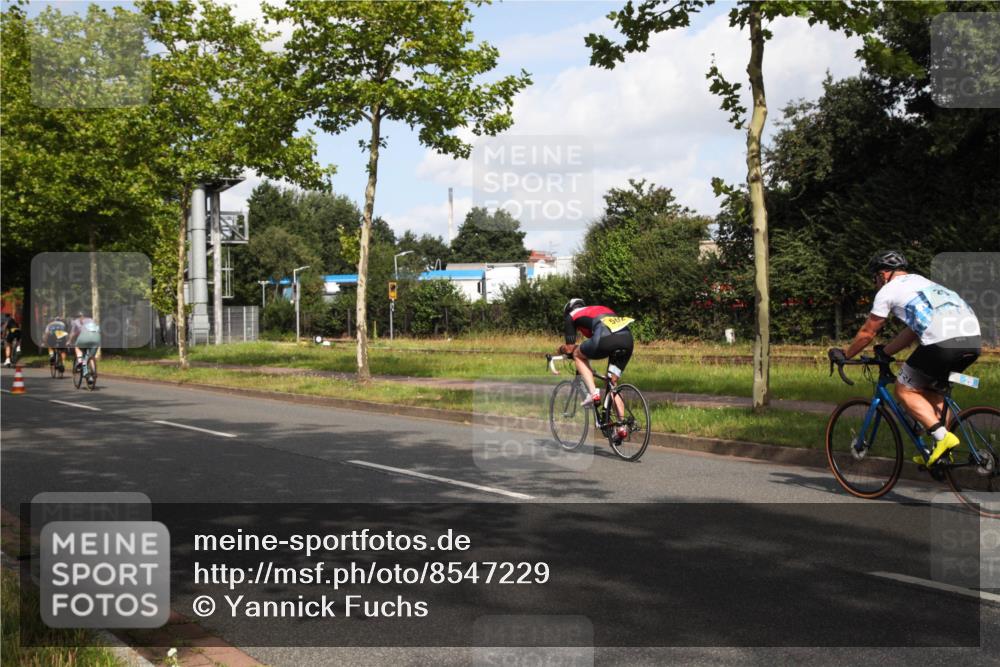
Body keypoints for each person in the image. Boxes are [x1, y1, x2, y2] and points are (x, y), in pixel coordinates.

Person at [830, 251, 981, 466]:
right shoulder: (924, 283)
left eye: (874, 278)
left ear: (883, 274)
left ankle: (943, 438)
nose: (875, 284)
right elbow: (912, 331)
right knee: (933, 391)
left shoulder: (888, 290)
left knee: (904, 389)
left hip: (942, 343)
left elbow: (868, 333)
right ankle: (942, 456)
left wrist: (846, 355)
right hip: (972, 342)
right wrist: (886, 352)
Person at [558, 298, 635, 440]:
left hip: (606, 338)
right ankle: (621, 427)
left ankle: (593, 393)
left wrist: (560, 349)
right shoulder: (598, 309)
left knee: (577, 355)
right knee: (612, 383)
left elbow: (569, 348)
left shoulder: (571, 316)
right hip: (627, 340)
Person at [68, 311, 102, 378]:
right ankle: (94, 372)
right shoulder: (92, 321)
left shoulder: (76, 321)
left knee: (77, 347)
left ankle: (80, 361)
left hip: (84, 337)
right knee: (91, 356)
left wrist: (69, 341)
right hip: (96, 338)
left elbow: (73, 333)